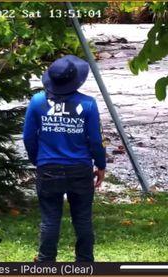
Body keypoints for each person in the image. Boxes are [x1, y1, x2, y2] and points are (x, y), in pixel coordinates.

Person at [23, 55, 106, 262]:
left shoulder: (37, 102)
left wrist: (38, 160)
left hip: (48, 167)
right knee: (83, 219)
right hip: (80, 168)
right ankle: (85, 262)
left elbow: (28, 137)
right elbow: (95, 140)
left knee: (50, 218)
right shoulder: (88, 104)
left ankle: (45, 261)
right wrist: (101, 165)